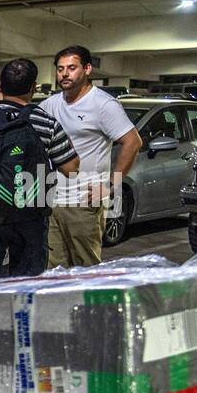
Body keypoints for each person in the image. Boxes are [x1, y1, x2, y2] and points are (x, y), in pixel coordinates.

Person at [0, 58, 80, 278]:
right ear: (32, 88)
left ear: (0, 85)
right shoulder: (46, 123)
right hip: (32, 212)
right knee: (28, 281)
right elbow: (72, 169)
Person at [37, 46, 142, 267]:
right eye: (60, 69)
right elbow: (22, 117)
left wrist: (109, 186)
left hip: (84, 203)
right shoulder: (51, 103)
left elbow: (133, 142)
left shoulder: (103, 105)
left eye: (72, 68)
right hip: (52, 200)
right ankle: (62, 304)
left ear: (87, 69)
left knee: (85, 269)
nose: (65, 74)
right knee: (53, 270)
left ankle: (89, 304)